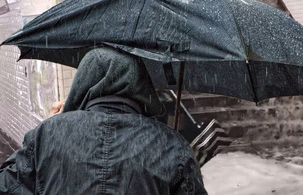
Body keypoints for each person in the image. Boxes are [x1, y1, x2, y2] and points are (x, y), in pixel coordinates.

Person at [0, 47, 208, 194]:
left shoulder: (48, 134)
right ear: (140, 87)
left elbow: (6, 185)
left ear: (84, 83)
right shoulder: (171, 145)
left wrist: (47, 129)